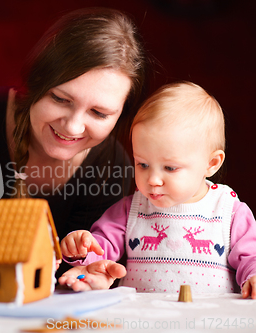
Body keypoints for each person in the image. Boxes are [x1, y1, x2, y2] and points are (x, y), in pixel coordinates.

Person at [0, 8, 148, 277]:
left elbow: (76, 276)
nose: (73, 126)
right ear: (37, 82)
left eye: (99, 113)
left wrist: (91, 277)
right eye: (60, 99)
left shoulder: (113, 167)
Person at [59, 82, 256, 298]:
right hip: (143, 319)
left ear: (211, 163)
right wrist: (83, 248)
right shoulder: (131, 208)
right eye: (142, 164)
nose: (152, 180)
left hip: (209, 320)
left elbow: (252, 256)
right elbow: (100, 248)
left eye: (170, 168)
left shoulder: (229, 211)